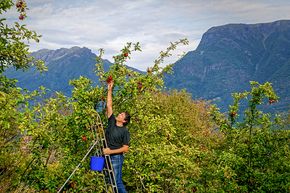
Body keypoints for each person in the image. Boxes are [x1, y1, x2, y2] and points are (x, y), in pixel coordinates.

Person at [103, 79, 130, 193]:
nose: (119, 114)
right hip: (105, 155)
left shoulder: (124, 131)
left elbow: (126, 148)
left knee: (116, 181)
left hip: (116, 157)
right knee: (106, 179)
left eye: (121, 115)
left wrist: (110, 152)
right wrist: (110, 89)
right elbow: (109, 105)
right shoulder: (112, 122)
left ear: (124, 120)